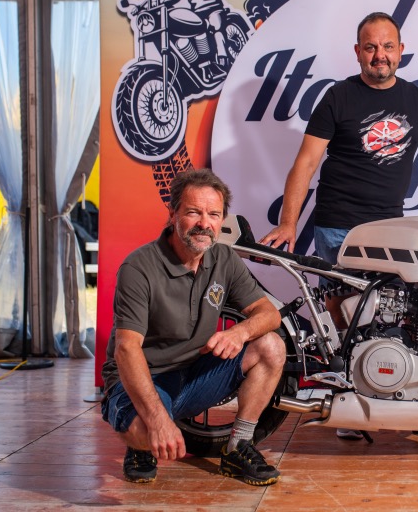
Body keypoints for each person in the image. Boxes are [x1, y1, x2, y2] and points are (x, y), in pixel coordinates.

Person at [261, 12, 418, 442]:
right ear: (358, 52)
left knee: (411, 319)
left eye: (387, 46)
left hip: (390, 230)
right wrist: (288, 223)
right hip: (339, 226)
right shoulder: (338, 98)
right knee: (348, 320)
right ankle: (351, 408)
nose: (379, 55)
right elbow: (305, 164)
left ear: (401, 51)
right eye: (370, 47)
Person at [101, 169, 286, 486]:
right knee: (145, 431)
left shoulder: (224, 258)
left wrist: (240, 332)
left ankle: (238, 447)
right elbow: (126, 349)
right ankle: (140, 445)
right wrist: (157, 420)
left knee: (271, 345)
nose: (204, 223)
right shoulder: (139, 267)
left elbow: (269, 314)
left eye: (213, 214)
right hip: (144, 379)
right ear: (172, 214)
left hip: (194, 374)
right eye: (193, 212)